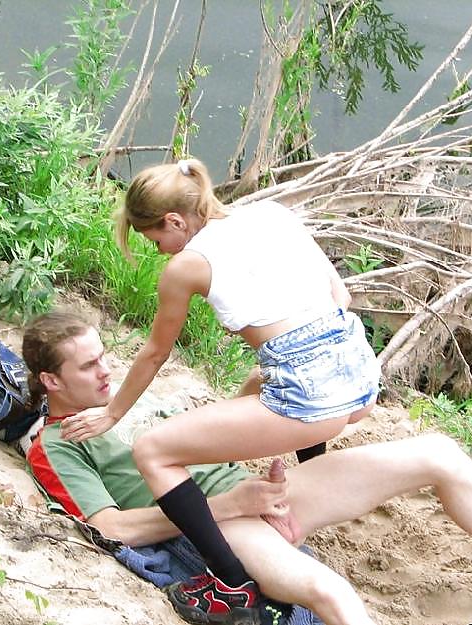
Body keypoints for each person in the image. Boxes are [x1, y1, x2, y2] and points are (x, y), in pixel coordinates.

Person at [59, 159, 382, 616]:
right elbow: (339, 297)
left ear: (174, 221)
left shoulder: (187, 266)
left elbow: (155, 353)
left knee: (152, 451)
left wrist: (112, 415)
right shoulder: (273, 212)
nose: (159, 252)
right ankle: (309, 486)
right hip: (361, 374)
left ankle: (230, 585)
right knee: (259, 379)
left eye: (155, 241)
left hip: (312, 394)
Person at [22, 312, 472, 625]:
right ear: (51, 381)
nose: (106, 370)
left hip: (257, 492)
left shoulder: (119, 400)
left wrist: (251, 394)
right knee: (330, 593)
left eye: (103, 356)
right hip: (216, 525)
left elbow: (202, 448)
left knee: (439, 453)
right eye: (88, 366)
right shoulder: (57, 444)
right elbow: (111, 528)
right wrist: (228, 506)